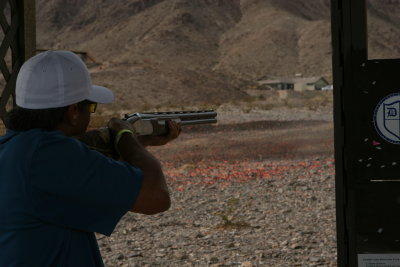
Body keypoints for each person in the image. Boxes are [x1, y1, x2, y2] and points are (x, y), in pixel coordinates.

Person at [0, 50, 181, 266]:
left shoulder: (15, 149)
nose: (90, 114)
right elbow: (156, 197)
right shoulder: (51, 154)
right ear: (73, 111)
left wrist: (140, 143)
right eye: (91, 107)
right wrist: (125, 136)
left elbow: (96, 177)